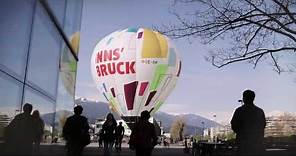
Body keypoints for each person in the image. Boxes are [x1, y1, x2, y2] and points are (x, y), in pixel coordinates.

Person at [231, 90, 266, 156]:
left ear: (244, 98)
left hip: (243, 145)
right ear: (253, 98)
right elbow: (263, 125)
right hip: (257, 144)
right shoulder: (260, 111)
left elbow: (234, 125)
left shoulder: (239, 111)